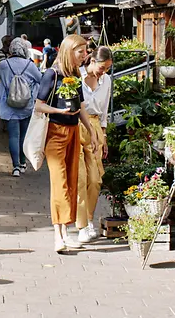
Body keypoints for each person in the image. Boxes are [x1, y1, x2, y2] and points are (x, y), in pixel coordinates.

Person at [34, 34, 101, 253]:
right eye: (80, 51)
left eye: (85, 51)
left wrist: (89, 128)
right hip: (55, 133)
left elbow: (81, 104)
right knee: (60, 181)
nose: (85, 55)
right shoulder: (52, 75)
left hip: (73, 132)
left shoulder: (74, 74)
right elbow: (38, 105)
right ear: (68, 51)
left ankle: (65, 232)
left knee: (71, 182)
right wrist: (58, 111)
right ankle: (57, 235)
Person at [76, 46, 113, 243]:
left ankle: (88, 218)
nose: (104, 72)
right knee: (80, 178)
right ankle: (82, 225)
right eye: (102, 67)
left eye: (107, 68)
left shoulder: (106, 81)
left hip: (96, 127)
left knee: (95, 178)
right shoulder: (77, 77)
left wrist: (103, 136)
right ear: (92, 61)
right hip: (77, 125)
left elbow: (105, 109)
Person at [0, 37, 43, 177]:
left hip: (9, 105)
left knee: (13, 136)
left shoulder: (4, 64)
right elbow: (40, 79)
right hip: (26, 105)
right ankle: (22, 163)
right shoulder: (30, 65)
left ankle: (15, 167)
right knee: (24, 135)